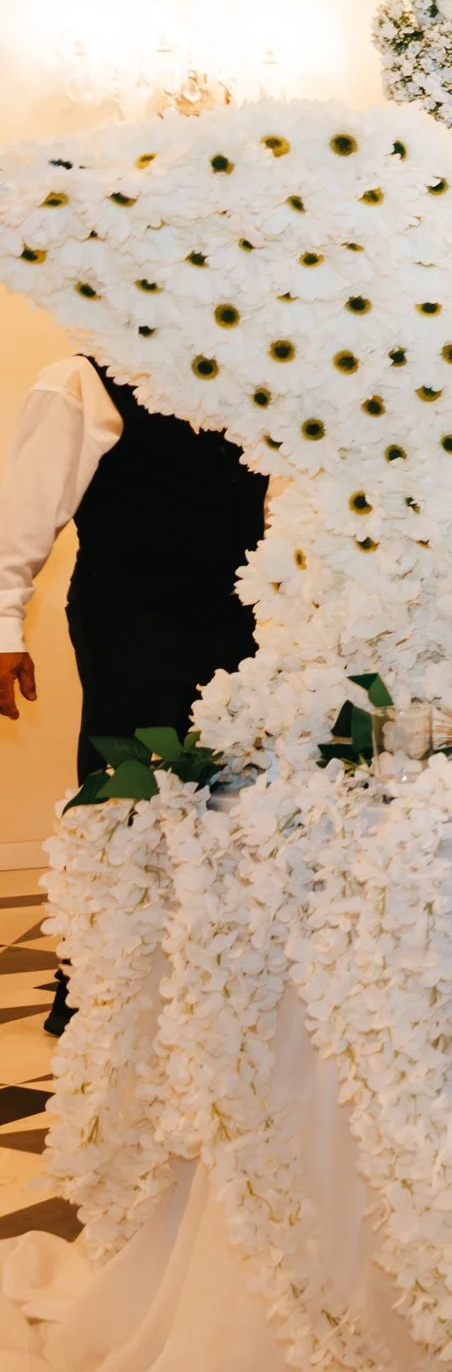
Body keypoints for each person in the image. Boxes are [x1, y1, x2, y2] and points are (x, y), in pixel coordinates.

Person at [0, 357, 266, 1033]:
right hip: (131, 617)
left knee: (241, 793)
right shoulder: (80, 379)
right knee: (127, 790)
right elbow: (23, 515)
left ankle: (221, 976)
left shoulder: (261, 376)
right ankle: (104, 984)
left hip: (247, 617)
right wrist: (4, 622)